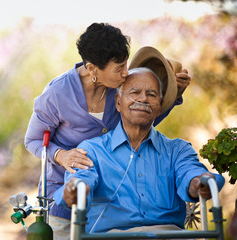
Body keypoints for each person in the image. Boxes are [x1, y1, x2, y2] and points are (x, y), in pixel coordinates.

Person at [24, 23, 191, 239]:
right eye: (118, 68)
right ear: (93, 68)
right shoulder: (57, 94)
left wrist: (174, 94)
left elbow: (141, 120)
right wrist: (61, 155)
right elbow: (33, 140)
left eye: (125, 64)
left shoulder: (118, 88)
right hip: (66, 194)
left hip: (107, 198)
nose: (125, 73)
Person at [53, 66, 225, 234]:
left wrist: (199, 183)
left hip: (168, 236)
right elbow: (80, 180)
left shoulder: (177, 150)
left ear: (159, 106)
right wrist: (74, 190)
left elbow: (191, 173)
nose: (143, 99)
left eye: (151, 94)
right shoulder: (92, 150)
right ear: (118, 102)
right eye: (135, 93)